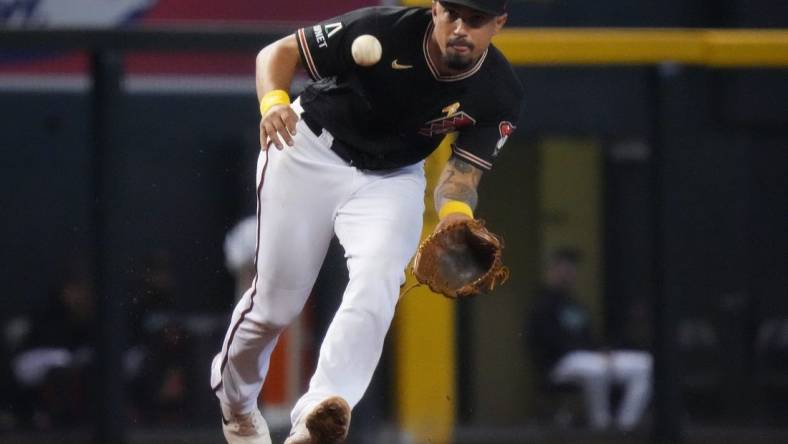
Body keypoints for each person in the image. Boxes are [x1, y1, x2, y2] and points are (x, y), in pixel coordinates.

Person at [210, 1, 523, 443]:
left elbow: (461, 177)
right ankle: (237, 406)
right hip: (308, 148)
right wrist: (274, 102)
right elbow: (277, 53)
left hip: (392, 177)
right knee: (274, 308)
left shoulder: (499, 91)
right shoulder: (385, 27)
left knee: (379, 281)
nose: (459, 27)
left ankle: (323, 408)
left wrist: (456, 218)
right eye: (451, 12)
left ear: (498, 24)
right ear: (434, 10)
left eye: (474, 20)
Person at [527, 248, 653, 431]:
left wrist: (603, 351)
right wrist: (591, 354)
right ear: (551, 270)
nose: (569, 273)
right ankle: (600, 427)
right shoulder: (541, 303)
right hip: (559, 363)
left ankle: (625, 426)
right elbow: (546, 341)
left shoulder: (575, 305)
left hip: (591, 358)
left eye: (571, 269)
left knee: (645, 364)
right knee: (596, 369)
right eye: (563, 268)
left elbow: (590, 337)